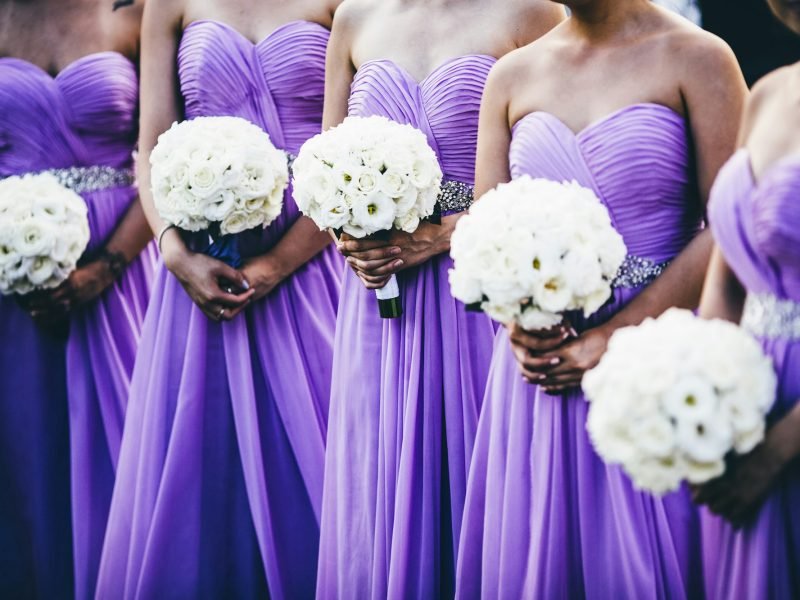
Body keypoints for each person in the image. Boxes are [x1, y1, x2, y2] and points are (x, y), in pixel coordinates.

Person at [455, 0, 747, 597]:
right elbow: (485, 230)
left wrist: (612, 339)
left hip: (654, 366)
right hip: (540, 364)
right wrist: (518, 324)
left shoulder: (699, 57)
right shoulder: (512, 74)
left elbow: (728, 227)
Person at [315, 1, 565, 597]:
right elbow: (321, 167)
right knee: (382, 485)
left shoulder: (533, 12)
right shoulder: (354, 17)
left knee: (478, 474)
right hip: (378, 303)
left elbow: (553, 171)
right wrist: (350, 236)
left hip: (481, 290)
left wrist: (443, 235)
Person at [95, 0, 342, 596]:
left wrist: (279, 263)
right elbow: (151, 140)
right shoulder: (168, 6)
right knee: (200, 469)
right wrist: (172, 251)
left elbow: (345, 153)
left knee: (319, 458)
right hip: (197, 270)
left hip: (311, 262)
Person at [0, 0, 155, 596]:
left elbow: (165, 155)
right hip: (14, 281)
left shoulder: (132, 11)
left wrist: (107, 267)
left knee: (125, 453)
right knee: (26, 456)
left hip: (127, 269)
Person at [693, 1, 800, 596]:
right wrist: (704, 399)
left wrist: (775, 452)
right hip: (746, 405)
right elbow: (728, 269)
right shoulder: (767, 93)